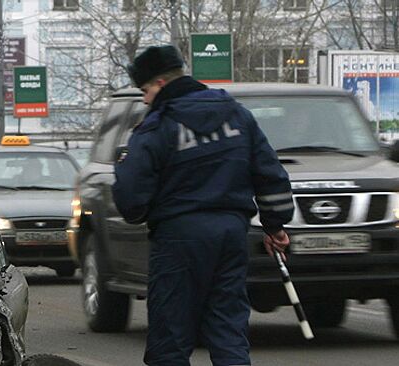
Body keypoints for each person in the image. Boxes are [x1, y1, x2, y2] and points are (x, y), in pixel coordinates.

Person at [112, 45, 294, 366]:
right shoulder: (238, 115)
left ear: (161, 84)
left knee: (170, 335)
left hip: (179, 239)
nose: (144, 100)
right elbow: (270, 175)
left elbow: (130, 199)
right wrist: (275, 226)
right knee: (228, 328)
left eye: (145, 91)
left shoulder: (157, 126)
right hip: (231, 236)